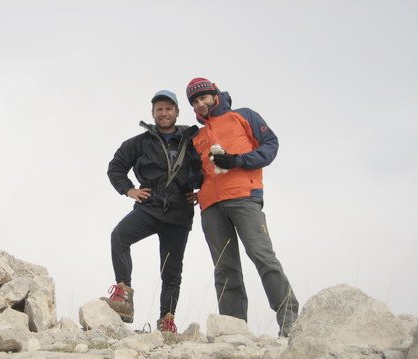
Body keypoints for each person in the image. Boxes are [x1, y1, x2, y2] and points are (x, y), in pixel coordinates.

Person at [185, 77, 298, 337]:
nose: (201, 103)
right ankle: (233, 332)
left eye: (204, 97)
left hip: (244, 197)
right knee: (225, 269)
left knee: (262, 256)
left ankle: (290, 321)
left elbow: (271, 146)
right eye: (195, 101)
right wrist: (191, 189)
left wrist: (236, 160)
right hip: (211, 207)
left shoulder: (242, 116)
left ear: (215, 95)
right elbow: (197, 173)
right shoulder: (197, 137)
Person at [104, 89, 202, 333]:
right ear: (153, 113)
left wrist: (203, 192)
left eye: (169, 109)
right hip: (150, 208)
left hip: (179, 214)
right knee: (119, 236)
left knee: (171, 270)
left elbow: (208, 168)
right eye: (159, 109)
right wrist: (129, 190)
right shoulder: (140, 142)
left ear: (177, 112)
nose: (164, 113)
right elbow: (115, 167)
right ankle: (124, 296)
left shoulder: (193, 140)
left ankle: (166, 321)